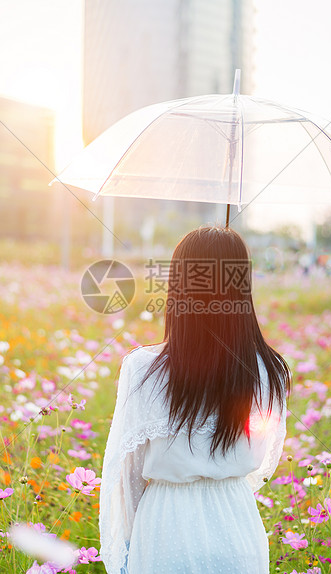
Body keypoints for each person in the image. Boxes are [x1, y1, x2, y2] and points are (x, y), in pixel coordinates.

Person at [99, 226, 291, 574]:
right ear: (241, 286)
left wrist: (128, 548)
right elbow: (262, 461)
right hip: (238, 525)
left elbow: (126, 476)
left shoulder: (143, 368)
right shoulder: (270, 368)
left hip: (165, 528)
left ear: (177, 286)